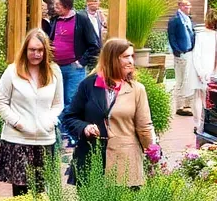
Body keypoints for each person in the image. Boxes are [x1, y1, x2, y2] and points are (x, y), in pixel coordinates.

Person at [62, 37, 156, 188]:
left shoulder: (137, 89)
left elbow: (144, 126)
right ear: (111, 58)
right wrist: (85, 128)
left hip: (125, 162)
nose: (131, 61)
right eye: (125, 56)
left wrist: (153, 152)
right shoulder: (89, 85)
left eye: (132, 56)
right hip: (91, 159)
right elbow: (70, 117)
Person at [0, 29, 64, 196]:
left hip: (44, 139)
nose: (36, 54)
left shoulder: (54, 72)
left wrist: (50, 121)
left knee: (41, 191)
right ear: (25, 49)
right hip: (18, 139)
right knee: (21, 192)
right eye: (32, 50)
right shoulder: (12, 71)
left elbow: (58, 103)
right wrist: (17, 122)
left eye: (40, 50)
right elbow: (0, 101)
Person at [48, 0, 101, 144]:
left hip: (73, 69)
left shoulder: (81, 19)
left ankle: (71, 134)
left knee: (72, 100)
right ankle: (59, 134)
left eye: (58, 5)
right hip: (56, 68)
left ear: (66, 6)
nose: (55, 7)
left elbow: (94, 44)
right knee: (56, 100)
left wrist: (81, 62)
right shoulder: (55, 20)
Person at [183, 9, 217, 133]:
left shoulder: (200, 35)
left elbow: (196, 55)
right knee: (207, 99)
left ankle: (198, 123)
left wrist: (200, 72)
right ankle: (205, 122)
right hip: (212, 71)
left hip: (199, 70)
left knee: (197, 97)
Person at [167, 0, 197, 117]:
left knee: (188, 78)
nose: (188, 8)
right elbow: (171, 36)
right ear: (180, 6)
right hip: (181, 53)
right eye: (186, 6)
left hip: (190, 52)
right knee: (181, 79)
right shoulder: (175, 20)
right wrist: (176, 50)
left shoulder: (188, 19)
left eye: (189, 6)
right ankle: (179, 105)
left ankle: (187, 104)